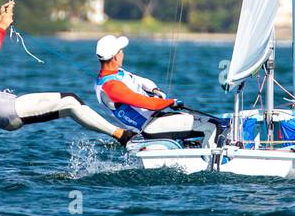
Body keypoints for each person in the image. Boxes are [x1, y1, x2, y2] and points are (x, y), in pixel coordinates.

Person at [0, 2, 134, 145]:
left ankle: (123, 136)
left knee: (70, 106)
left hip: (1, 109)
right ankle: (123, 136)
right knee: (70, 99)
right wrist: (2, 29)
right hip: (0, 109)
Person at [93, 34, 224, 146]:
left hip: (157, 120)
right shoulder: (111, 86)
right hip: (149, 127)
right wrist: (171, 102)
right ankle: (214, 165)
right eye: (121, 51)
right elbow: (148, 104)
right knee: (212, 125)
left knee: (202, 124)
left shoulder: (116, 73)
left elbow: (142, 81)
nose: (123, 53)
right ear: (115, 57)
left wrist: (155, 90)